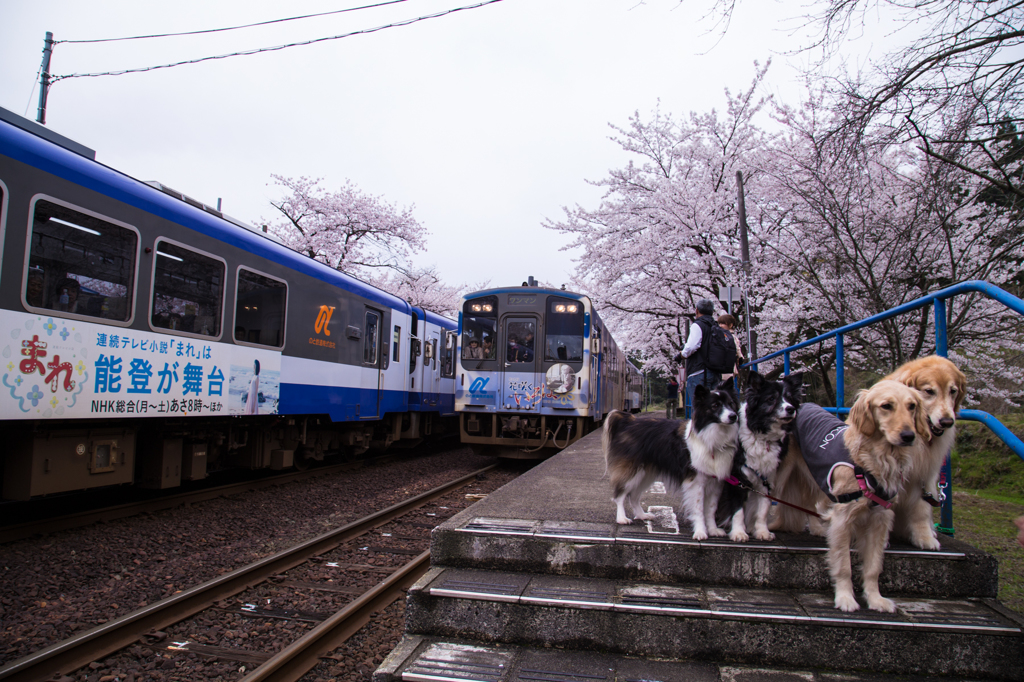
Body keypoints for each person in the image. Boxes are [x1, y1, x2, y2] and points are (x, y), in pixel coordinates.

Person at [678, 298, 720, 419]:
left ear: (696, 310)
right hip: (714, 372)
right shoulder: (716, 326)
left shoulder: (698, 325)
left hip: (699, 373)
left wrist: (681, 354)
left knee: (699, 409)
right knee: (713, 408)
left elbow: (691, 347)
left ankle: (698, 436)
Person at [717, 314, 745, 384]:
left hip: (725, 368)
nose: (720, 325)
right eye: (719, 323)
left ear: (730, 325)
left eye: (723, 323)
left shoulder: (731, 337)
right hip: (726, 369)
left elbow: (737, 350)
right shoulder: (721, 336)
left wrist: (740, 358)